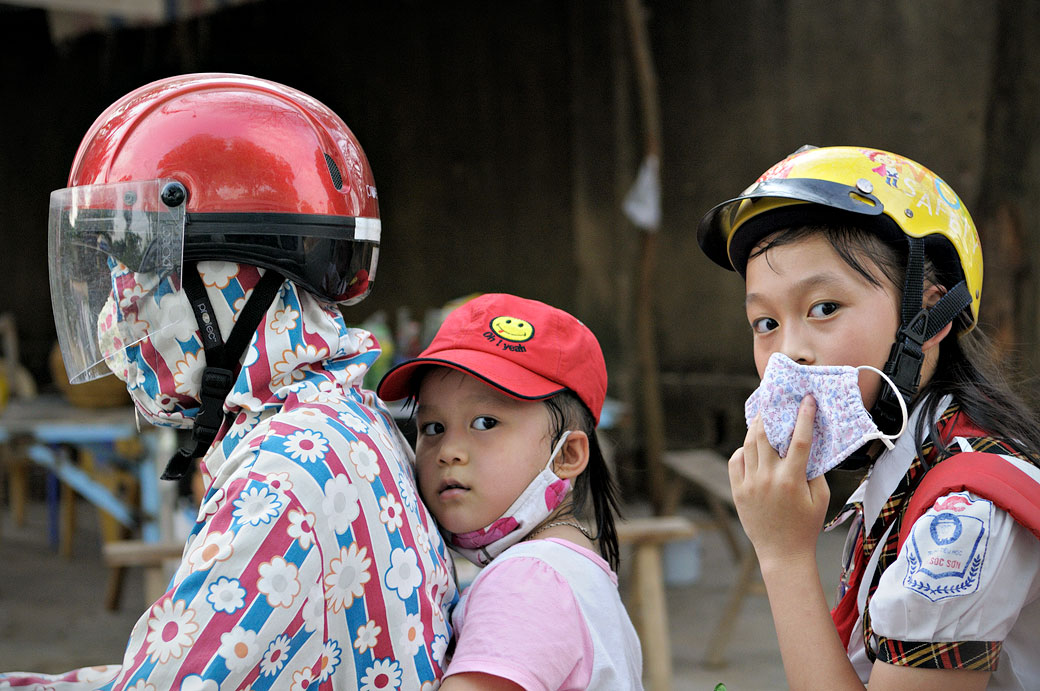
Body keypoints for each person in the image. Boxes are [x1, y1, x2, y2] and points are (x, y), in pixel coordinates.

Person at [2, 73, 456, 689]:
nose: (118, 312)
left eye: (143, 274)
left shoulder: (281, 485)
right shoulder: (343, 419)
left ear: (240, 288)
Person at [697, 145, 1040, 690]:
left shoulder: (965, 518)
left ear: (927, 315)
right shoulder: (907, 469)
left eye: (824, 308)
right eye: (764, 322)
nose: (789, 355)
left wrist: (783, 556)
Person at [376, 292, 643, 690]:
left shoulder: (527, 583)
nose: (449, 452)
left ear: (567, 454)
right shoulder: (570, 570)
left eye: (485, 423)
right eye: (433, 428)